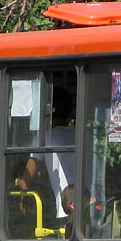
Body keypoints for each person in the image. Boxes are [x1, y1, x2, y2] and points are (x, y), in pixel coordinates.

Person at [14, 92, 75, 224]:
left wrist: (19, 184)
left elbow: (26, 181)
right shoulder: (82, 134)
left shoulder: (45, 137)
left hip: (67, 208)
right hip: (92, 204)